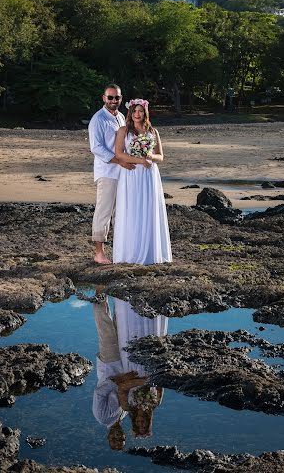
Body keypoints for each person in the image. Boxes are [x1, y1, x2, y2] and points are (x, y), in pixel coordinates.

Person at [92, 293, 167, 448]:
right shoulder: (125, 413)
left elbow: (99, 392)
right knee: (120, 322)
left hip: (109, 366)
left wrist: (118, 380)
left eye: (114, 439)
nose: (118, 436)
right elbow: (155, 386)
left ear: (109, 437)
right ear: (125, 435)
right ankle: (117, 294)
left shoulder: (102, 417)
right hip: (125, 363)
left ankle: (99, 292)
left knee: (104, 327)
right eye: (121, 439)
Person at [113, 98, 172, 265]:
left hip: (148, 175)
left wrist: (150, 156)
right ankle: (130, 253)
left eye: (140, 111)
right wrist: (139, 161)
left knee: (148, 209)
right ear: (130, 113)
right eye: (134, 111)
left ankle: (151, 253)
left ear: (145, 113)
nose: (137, 114)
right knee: (131, 209)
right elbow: (119, 154)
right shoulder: (123, 130)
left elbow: (160, 156)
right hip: (131, 174)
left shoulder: (153, 132)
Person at [88, 84, 135, 264]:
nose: (114, 101)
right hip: (107, 172)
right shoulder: (98, 119)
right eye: (110, 98)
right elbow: (96, 148)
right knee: (104, 211)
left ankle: (120, 251)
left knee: (121, 212)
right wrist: (119, 161)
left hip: (123, 172)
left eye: (117, 98)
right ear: (103, 98)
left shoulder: (122, 117)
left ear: (121, 99)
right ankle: (99, 253)